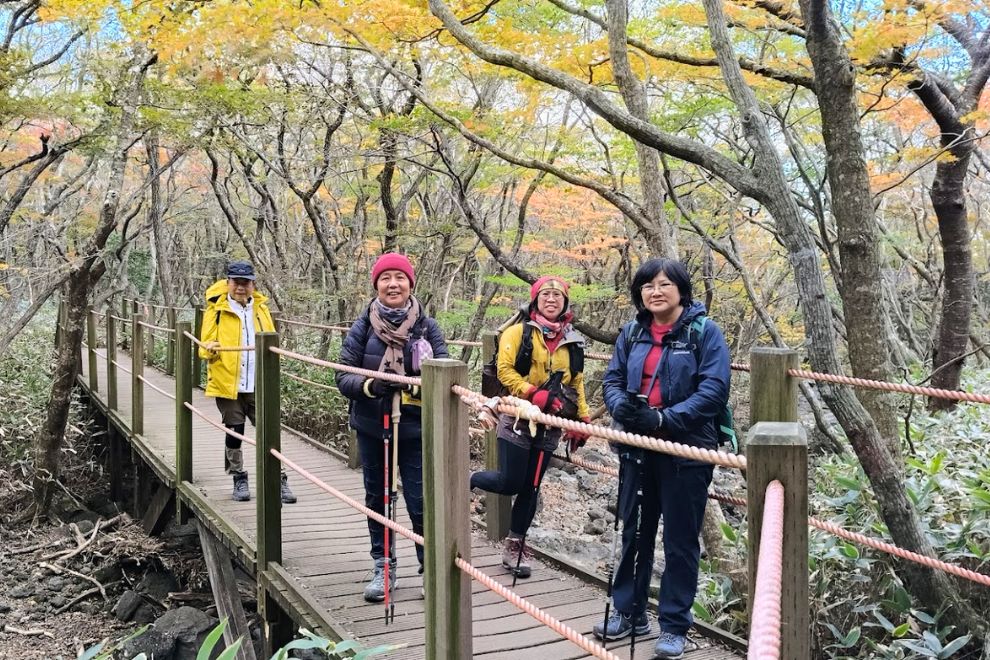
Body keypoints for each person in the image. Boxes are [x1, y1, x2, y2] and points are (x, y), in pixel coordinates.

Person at [593, 258, 730, 659]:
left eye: (665, 284)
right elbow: (613, 379)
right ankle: (629, 611)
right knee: (633, 530)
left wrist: (664, 418)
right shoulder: (632, 332)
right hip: (636, 446)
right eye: (648, 285)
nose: (655, 291)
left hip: (685, 450)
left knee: (680, 540)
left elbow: (714, 390)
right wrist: (626, 410)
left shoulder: (705, 333)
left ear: (682, 290)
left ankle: (674, 625)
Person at [336, 253, 448, 602]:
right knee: (377, 497)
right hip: (373, 426)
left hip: (414, 429)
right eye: (386, 278)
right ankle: (383, 568)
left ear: (411, 284)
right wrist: (371, 387)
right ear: (377, 285)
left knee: (419, 500)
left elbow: (445, 373)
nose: (393, 284)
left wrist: (412, 385)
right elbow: (343, 374)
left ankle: (430, 568)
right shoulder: (363, 326)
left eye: (400, 278)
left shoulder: (426, 327)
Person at [470, 275, 591, 578]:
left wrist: (582, 420)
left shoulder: (573, 341)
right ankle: (469, 477)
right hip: (517, 417)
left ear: (565, 302)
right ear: (535, 299)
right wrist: (531, 392)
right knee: (511, 481)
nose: (551, 299)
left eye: (557, 295)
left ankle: (515, 545)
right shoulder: (517, 332)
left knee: (531, 486)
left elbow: (576, 382)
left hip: (550, 424)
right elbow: (504, 370)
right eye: (545, 295)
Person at [199, 260, 297, 504]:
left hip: (258, 380)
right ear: (228, 283)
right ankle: (238, 477)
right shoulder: (216, 310)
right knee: (235, 430)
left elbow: (271, 341)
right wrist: (211, 348)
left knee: (268, 429)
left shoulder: (261, 309)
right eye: (236, 282)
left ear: (253, 284)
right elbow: (204, 347)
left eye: (246, 282)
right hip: (228, 382)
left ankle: (278, 478)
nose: (240, 287)